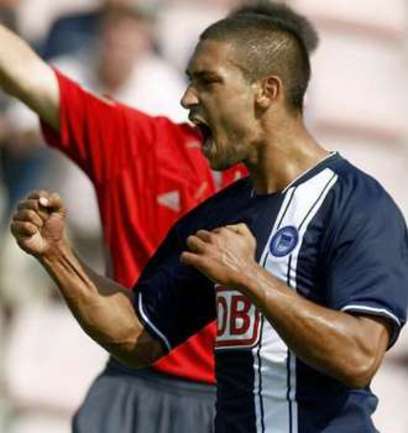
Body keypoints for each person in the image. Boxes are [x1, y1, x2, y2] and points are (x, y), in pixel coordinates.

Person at [9, 3, 408, 433]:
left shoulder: (357, 204)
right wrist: (57, 255)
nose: (187, 99)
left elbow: (360, 357)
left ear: (266, 91)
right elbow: (137, 336)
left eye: (207, 81)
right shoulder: (220, 215)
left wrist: (249, 277)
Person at [0, 4, 248, 433]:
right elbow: (24, 86)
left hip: (128, 255)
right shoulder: (119, 117)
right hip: (65, 226)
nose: (191, 98)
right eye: (114, 24)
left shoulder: (157, 106)